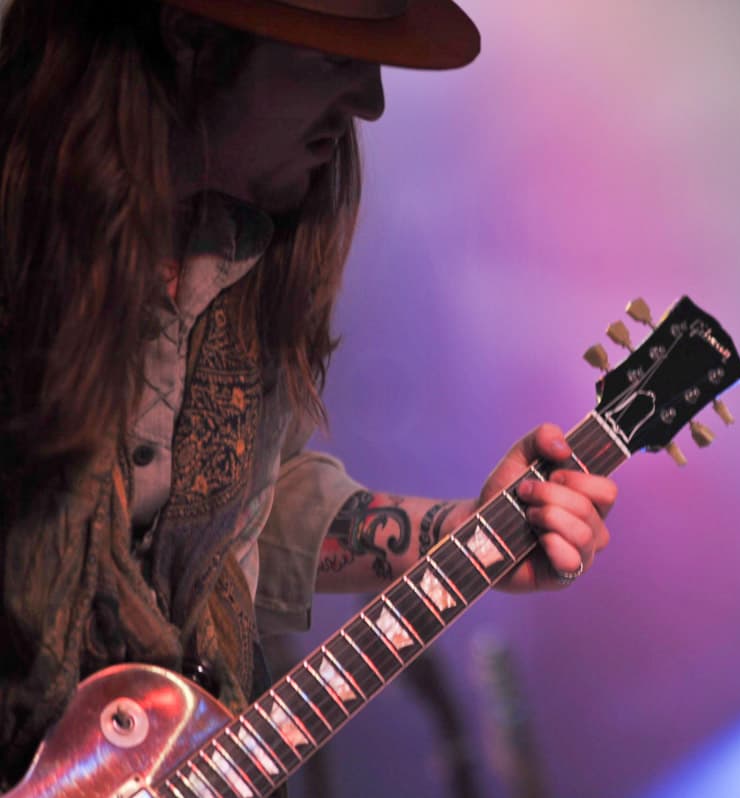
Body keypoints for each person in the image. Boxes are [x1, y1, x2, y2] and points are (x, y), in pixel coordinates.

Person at [0, 0, 617, 787]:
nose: (371, 101)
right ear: (192, 40)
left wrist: (460, 534)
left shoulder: (241, 261)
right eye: (333, 58)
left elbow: (236, 506)